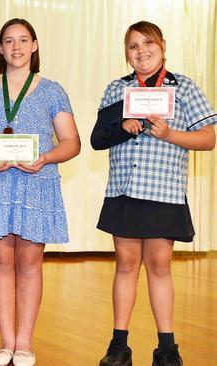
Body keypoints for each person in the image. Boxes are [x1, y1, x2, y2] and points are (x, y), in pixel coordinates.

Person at [0, 18, 80, 366]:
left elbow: (71, 142)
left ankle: (25, 342)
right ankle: (6, 342)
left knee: (28, 262)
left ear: (35, 46)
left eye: (24, 40)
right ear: (0, 49)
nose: (16, 46)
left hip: (35, 182)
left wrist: (44, 158)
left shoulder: (53, 90)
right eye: (9, 41)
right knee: (1, 260)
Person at [94, 21, 216, 366]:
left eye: (147, 43)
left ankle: (167, 348)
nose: (141, 51)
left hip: (164, 191)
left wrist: (169, 135)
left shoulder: (185, 88)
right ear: (126, 53)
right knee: (126, 264)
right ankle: (119, 345)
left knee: (160, 265)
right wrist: (122, 127)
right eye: (132, 46)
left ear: (162, 45)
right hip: (124, 189)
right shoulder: (117, 89)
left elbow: (208, 139)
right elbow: (98, 138)